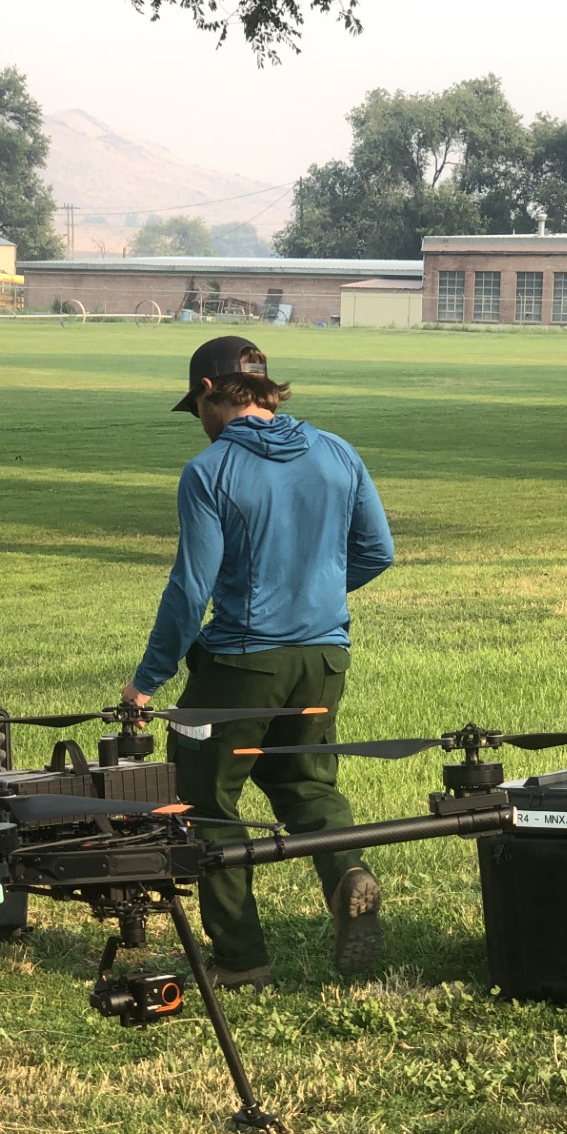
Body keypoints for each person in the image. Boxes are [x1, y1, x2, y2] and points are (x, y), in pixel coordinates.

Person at [122, 336, 395, 988]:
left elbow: (190, 591)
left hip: (242, 667)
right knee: (308, 785)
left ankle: (242, 961)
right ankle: (347, 873)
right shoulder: (337, 452)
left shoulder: (211, 471)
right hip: (326, 659)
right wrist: (317, 595)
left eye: (197, 410)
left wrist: (147, 681)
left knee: (208, 805)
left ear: (212, 393)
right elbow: (378, 551)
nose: (200, 424)